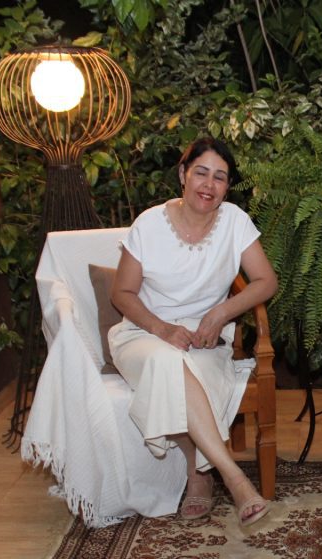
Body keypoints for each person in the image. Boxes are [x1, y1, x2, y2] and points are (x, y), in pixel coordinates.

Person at [109, 137, 278, 527]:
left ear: (227, 187)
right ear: (183, 174)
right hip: (144, 336)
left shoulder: (235, 221)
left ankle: (199, 475)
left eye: (220, 177)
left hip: (203, 342)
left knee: (184, 371)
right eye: (201, 173)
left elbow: (266, 281)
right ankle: (232, 478)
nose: (209, 184)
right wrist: (162, 328)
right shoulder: (149, 224)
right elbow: (121, 293)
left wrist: (221, 313)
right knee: (166, 363)